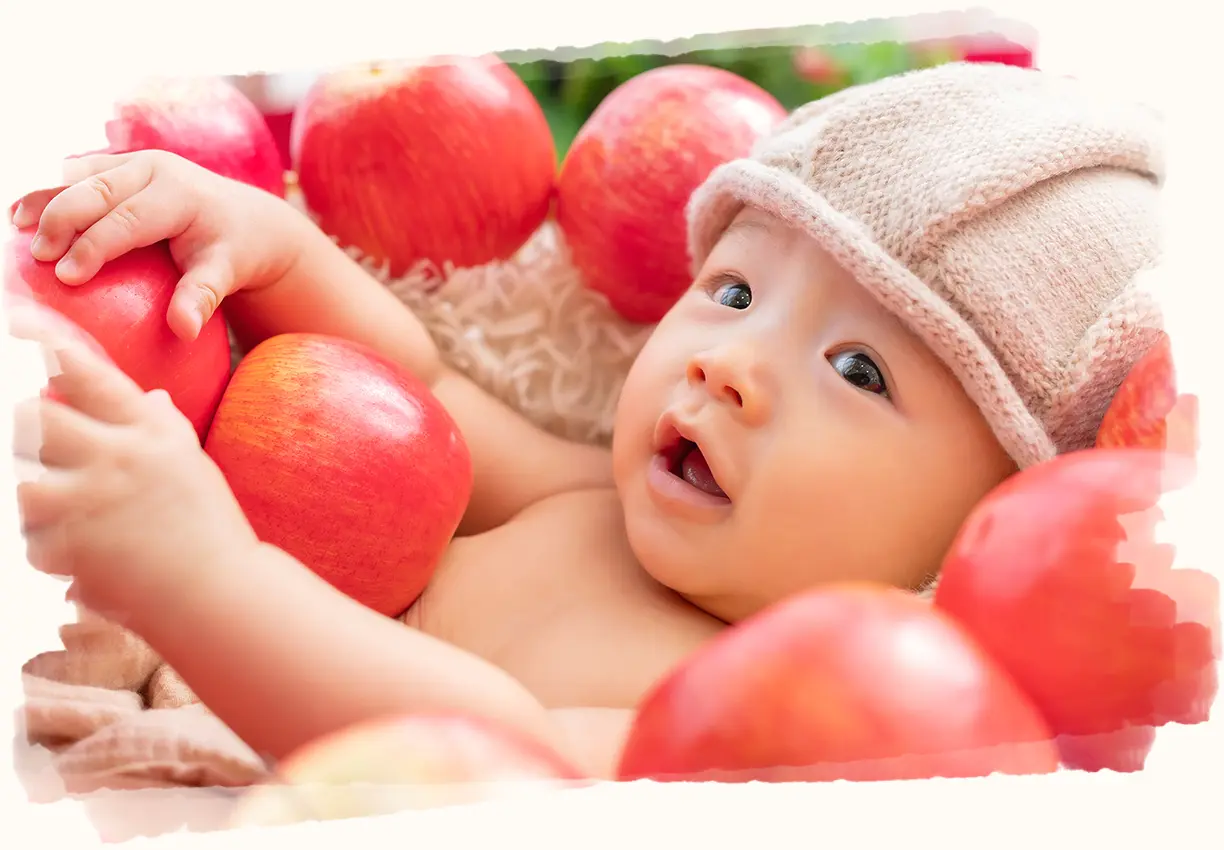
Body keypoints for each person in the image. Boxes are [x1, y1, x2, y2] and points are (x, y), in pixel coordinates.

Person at [7, 62, 1167, 778]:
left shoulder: (752, 716)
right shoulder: (589, 500)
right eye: (734, 291)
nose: (730, 367)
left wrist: (202, 580)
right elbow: (432, 395)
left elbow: (493, 759)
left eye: (860, 369)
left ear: (988, 528)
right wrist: (267, 244)